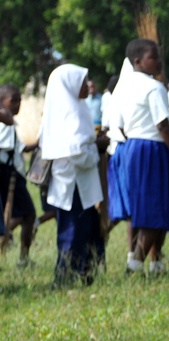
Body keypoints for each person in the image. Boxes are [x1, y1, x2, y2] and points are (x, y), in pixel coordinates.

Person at [115, 38, 169, 276]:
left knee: (149, 206)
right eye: (154, 57)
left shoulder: (123, 86)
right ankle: (135, 265)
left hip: (133, 147)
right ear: (138, 61)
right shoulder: (153, 87)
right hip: (153, 148)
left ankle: (154, 261)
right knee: (154, 207)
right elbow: (163, 127)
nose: (159, 62)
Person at [40, 64, 109, 287]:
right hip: (73, 184)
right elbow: (76, 152)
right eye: (82, 80)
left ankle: (83, 273)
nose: (87, 85)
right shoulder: (70, 112)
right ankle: (64, 277)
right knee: (72, 231)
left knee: (85, 228)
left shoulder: (75, 107)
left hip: (77, 182)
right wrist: (97, 148)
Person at [0, 84, 38, 266]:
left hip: (11, 172)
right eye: (13, 100)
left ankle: (20, 252)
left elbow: (18, 148)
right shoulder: (4, 123)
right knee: (28, 214)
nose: (17, 104)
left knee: (24, 215)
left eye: (19, 100)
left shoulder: (10, 123)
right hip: (7, 174)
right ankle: (22, 257)